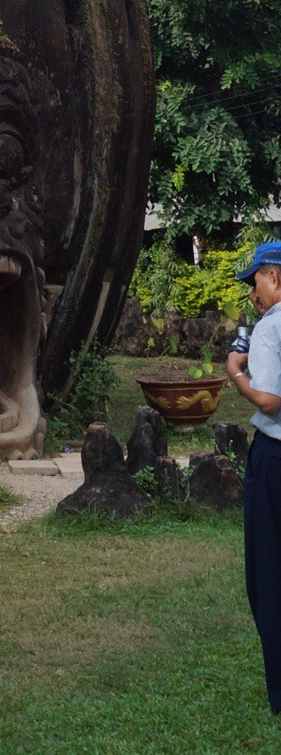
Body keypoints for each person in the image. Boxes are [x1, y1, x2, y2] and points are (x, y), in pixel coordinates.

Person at [229, 240, 281, 714]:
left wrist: (236, 373)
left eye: (256, 282)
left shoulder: (268, 328)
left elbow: (268, 400)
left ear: (275, 277)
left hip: (274, 458)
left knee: (267, 573)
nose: (253, 294)